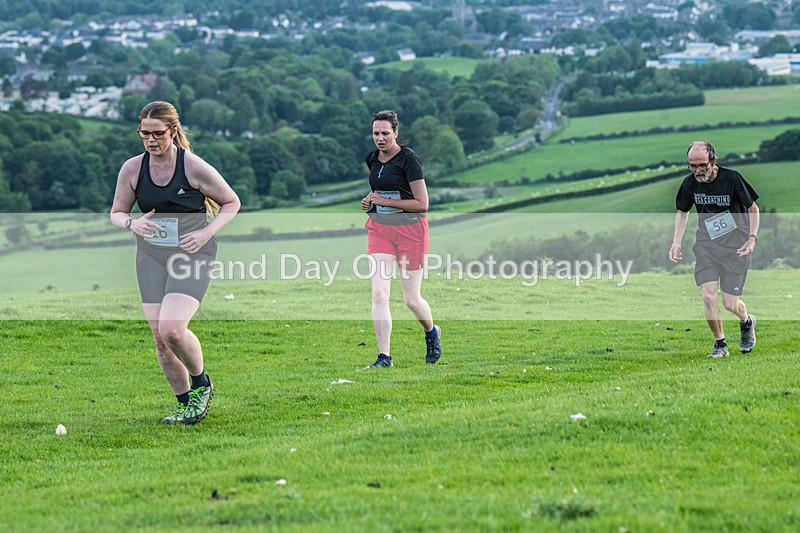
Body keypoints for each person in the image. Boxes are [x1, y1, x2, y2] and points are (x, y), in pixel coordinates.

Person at [110, 101, 240, 424]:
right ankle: (184, 405)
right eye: (144, 133)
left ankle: (201, 384)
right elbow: (117, 213)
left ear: (172, 131)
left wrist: (206, 233)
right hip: (151, 255)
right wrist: (132, 224)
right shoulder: (132, 169)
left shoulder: (193, 167)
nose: (150, 140)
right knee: (159, 338)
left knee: (172, 329)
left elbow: (231, 202)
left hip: (192, 254)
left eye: (157, 133)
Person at [360, 110, 442, 368]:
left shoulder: (409, 160)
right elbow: (380, 189)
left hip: (411, 232)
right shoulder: (372, 158)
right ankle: (384, 357)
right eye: (376, 133)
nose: (380, 138)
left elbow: (422, 204)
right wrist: (370, 201)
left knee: (411, 300)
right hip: (380, 230)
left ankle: (431, 332)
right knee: (379, 293)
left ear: (395, 133)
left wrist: (386, 202)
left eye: (385, 133)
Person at [669, 140, 759, 358]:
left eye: (702, 165)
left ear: (713, 161)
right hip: (706, 246)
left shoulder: (732, 178)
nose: (697, 171)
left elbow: (753, 209)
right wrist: (676, 242)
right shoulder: (689, 184)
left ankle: (747, 322)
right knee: (708, 297)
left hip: (736, 247)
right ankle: (720, 345)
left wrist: (752, 238)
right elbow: (682, 212)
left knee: (730, 303)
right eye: (692, 166)